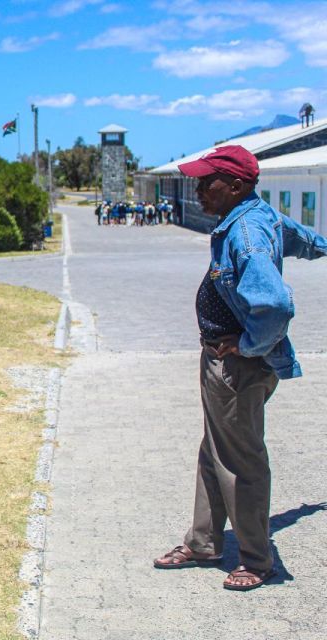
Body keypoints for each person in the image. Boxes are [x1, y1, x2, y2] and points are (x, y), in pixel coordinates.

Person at [153, 145, 327, 590]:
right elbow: (303, 238)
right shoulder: (254, 215)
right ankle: (204, 541)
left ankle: (257, 560)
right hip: (221, 359)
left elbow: (273, 304)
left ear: (236, 185)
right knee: (216, 450)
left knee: (241, 460)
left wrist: (248, 346)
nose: (197, 189)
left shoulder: (246, 232)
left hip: (237, 367)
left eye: (205, 181)